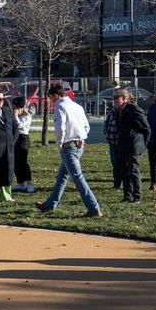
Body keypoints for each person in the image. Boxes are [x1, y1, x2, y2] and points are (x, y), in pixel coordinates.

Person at [37, 84, 103, 217]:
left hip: (68, 146)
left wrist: (59, 144)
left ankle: (93, 208)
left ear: (55, 95)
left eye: (50, 97)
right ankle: (50, 204)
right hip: (79, 145)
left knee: (78, 178)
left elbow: (60, 128)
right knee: (62, 176)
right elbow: (86, 126)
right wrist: (81, 138)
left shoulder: (59, 106)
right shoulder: (77, 106)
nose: (50, 100)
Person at [115, 87, 151, 203]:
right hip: (124, 145)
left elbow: (146, 129)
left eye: (116, 97)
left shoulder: (134, 109)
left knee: (134, 171)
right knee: (125, 171)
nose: (114, 100)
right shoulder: (119, 110)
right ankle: (127, 196)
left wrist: (143, 145)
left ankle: (137, 196)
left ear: (124, 98)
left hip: (134, 145)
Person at [10, 95, 35, 193]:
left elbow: (19, 125)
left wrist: (16, 115)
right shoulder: (15, 115)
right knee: (16, 162)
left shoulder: (26, 116)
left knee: (23, 162)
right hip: (15, 139)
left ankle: (29, 184)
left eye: (15, 107)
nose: (14, 109)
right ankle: (21, 183)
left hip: (23, 139)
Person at [103, 99, 122, 190]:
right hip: (112, 142)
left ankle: (122, 183)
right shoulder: (112, 112)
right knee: (115, 164)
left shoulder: (126, 112)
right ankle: (117, 183)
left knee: (122, 164)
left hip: (121, 142)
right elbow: (106, 124)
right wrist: (107, 134)